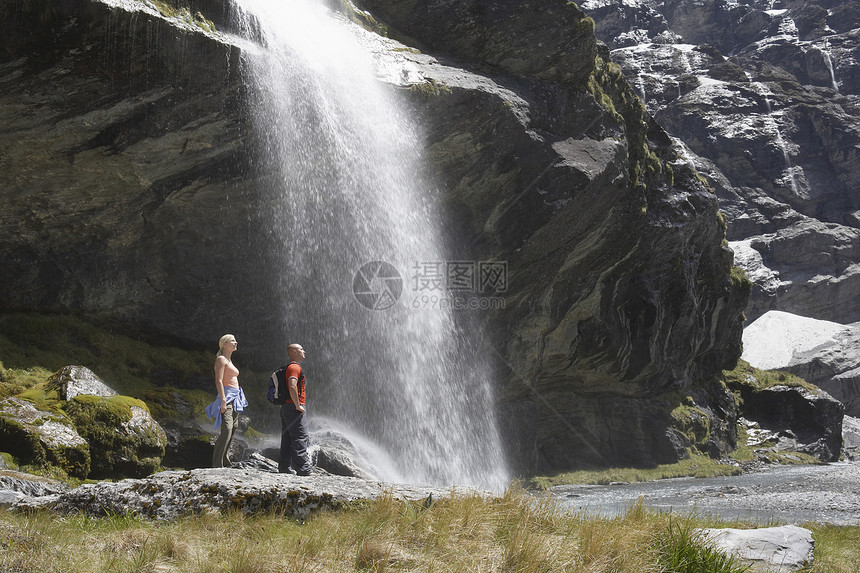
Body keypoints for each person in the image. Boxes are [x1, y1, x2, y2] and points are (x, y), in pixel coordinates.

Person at [205, 334, 248, 468]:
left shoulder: (229, 361)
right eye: (232, 341)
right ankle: (217, 463)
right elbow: (218, 381)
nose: (236, 342)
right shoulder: (221, 359)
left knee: (234, 428)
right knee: (227, 429)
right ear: (224, 344)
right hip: (227, 398)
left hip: (236, 398)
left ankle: (225, 459)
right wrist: (223, 401)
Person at [279, 343, 312, 476]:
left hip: (287, 407)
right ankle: (303, 470)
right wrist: (298, 405)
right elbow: (292, 386)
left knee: (287, 438)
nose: (304, 351)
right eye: (301, 349)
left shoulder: (290, 367)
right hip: (293, 407)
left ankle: (284, 467)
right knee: (300, 436)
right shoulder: (294, 367)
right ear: (293, 352)